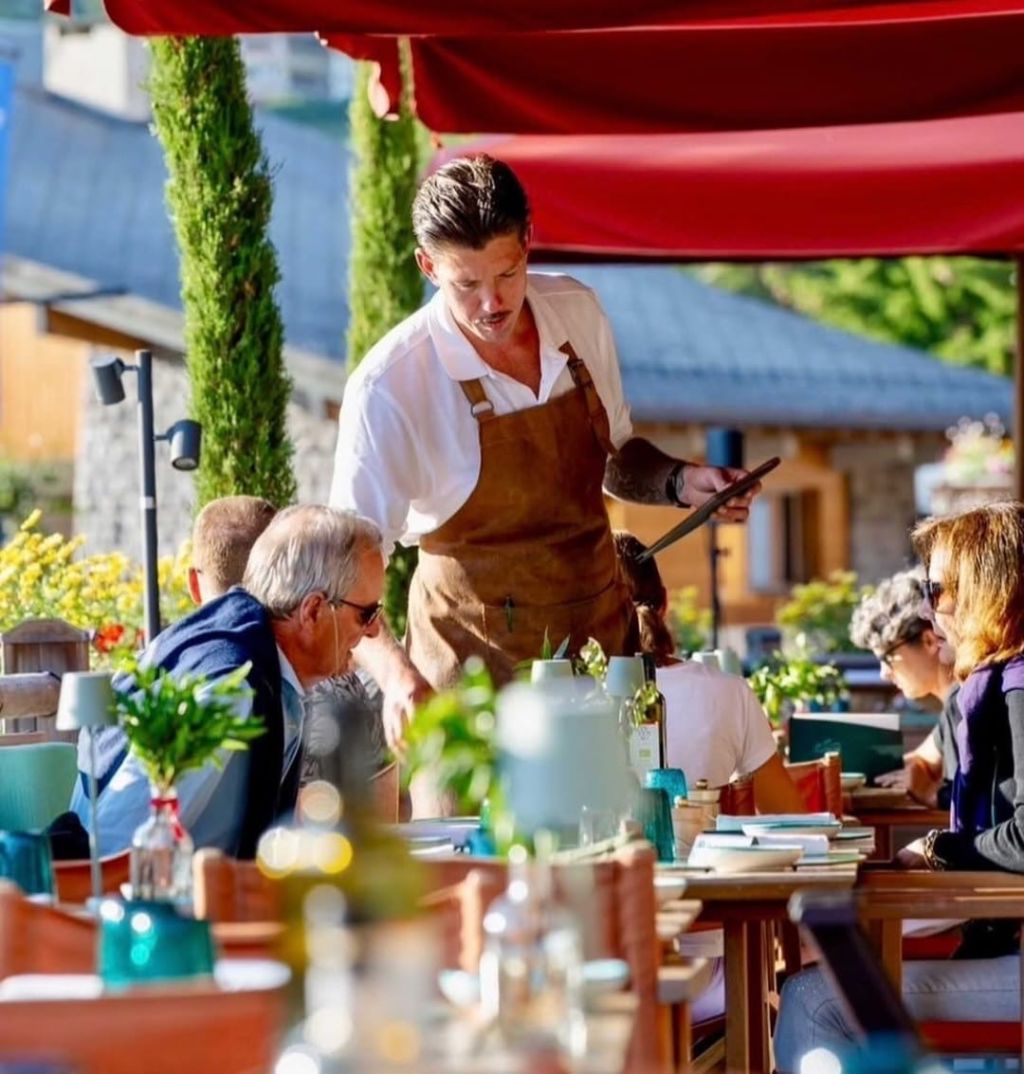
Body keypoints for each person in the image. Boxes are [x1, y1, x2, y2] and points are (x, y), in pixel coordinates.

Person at [330, 155, 760, 755]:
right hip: (471, 687)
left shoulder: (578, 312)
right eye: (466, 284)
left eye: (507, 274)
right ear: (427, 266)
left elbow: (614, 455)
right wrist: (398, 678)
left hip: (603, 663)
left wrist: (682, 482)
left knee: (630, 815)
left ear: (528, 241)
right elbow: (343, 572)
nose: (491, 303)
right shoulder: (389, 386)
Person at [775, 503, 1024, 1071]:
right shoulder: (997, 682)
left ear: (983, 586)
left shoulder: (1017, 685)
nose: (933, 609)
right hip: (998, 930)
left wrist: (935, 849)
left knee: (811, 996)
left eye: (937, 589)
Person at [75, 505, 385, 859]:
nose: (375, 630)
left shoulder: (266, 670)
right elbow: (113, 849)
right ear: (313, 610)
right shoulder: (227, 688)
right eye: (367, 613)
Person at [615, 531, 803, 813]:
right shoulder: (730, 692)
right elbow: (789, 816)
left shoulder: (574, 700)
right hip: (707, 843)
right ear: (664, 602)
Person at [850, 568, 959, 807]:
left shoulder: (969, 703)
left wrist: (931, 794)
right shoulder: (953, 709)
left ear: (929, 640)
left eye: (888, 657)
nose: (884, 673)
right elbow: (920, 760)